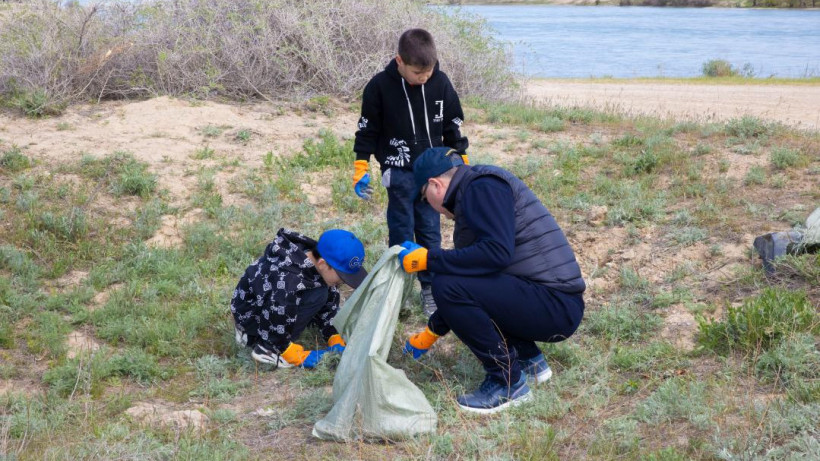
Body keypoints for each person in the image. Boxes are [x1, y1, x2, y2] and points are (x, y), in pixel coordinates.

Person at [397, 147, 586, 414]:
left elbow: (495, 255)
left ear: (434, 185)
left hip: (556, 304)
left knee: (445, 283)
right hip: (551, 302)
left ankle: (506, 383)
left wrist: (430, 260)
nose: (431, 208)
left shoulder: (482, 187)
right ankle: (531, 362)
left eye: (425, 199)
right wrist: (432, 332)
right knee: (453, 279)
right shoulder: (474, 191)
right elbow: (474, 277)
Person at [352, 28, 469, 317]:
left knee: (430, 231)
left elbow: (453, 126)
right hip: (399, 171)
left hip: (435, 174)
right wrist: (361, 167)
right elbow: (368, 130)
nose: (424, 77)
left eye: (427, 71)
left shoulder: (440, 83)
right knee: (401, 231)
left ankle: (431, 289)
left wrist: (462, 161)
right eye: (417, 72)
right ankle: (398, 289)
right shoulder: (379, 87)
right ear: (399, 61)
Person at [231, 228, 367, 368]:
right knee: (319, 293)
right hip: (252, 317)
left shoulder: (312, 260)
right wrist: (288, 351)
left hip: (273, 304)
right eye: (341, 277)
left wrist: (333, 334)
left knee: (325, 287)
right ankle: (268, 349)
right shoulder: (288, 281)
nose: (343, 282)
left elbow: (329, 294)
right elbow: (278, 308)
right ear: (322, 264)